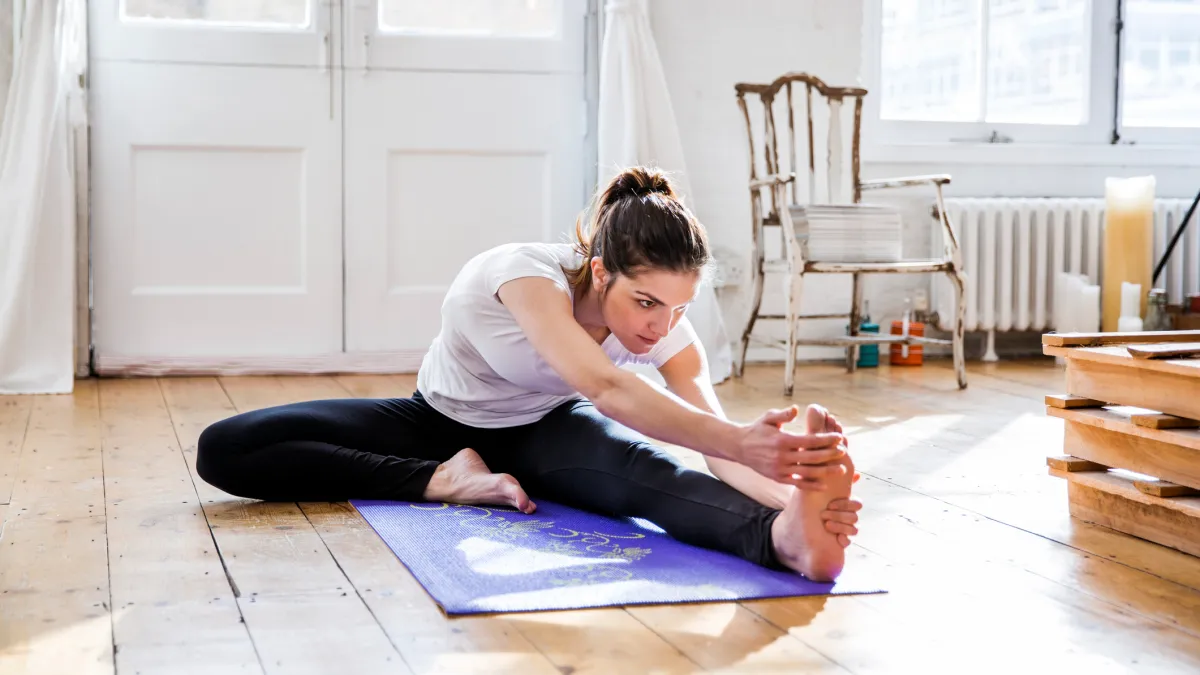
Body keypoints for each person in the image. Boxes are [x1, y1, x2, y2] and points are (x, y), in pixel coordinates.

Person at [196, 167, 861, 582]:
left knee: (649, 480)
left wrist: (792, 499)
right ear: (600, 271)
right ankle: (442, 479)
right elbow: (604, 385)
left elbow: (711, 442)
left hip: (544, 431)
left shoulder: (665, 326)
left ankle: (784, 544)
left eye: (679, 308)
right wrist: (739, 439)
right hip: (435, 422)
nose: (661, 327)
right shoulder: (523, 276)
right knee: (226, 447)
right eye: (647, 303)